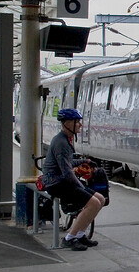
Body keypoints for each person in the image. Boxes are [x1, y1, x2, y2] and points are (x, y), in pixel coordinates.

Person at [41, 108, 104, 251]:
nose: (80, 125)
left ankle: (80, 234)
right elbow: (67, 172)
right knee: (93, 203)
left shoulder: (65, 139)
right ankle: (69, 238)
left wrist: (84, 161)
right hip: (56, 183)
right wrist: (81, 188)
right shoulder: (61, 143)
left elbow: (67, 162)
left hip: (63, 181)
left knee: (100, 199)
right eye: (77, 122)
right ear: (68, 123)